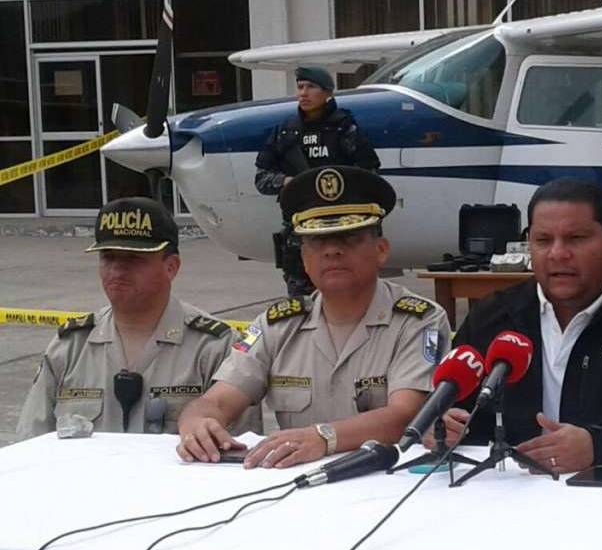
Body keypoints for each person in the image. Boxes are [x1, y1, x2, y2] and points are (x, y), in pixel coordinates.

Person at [429, 178, 602, 473]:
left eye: (576, 238)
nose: (557, 254)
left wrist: (597, 444)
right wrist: (442, 424)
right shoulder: (493, 315)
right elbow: (457, 401)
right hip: (510, 491)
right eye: (543, 240)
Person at [176, 165, 450, 469]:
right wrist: (197, 421)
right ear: (305, 259)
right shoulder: (276, 325)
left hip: (385, 484)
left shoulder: (419, 320)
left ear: (381, 250)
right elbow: (218, 401)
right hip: (291, 487)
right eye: (317, 241)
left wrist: (324, 437)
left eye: (348, 237)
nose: (332, 251)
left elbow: (405, 415)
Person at [16, 197, 249, 439]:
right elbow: (31, 441)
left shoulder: (213, 347)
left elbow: (238, 453)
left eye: (133, 259)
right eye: (108, 257)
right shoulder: (70, 346)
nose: (116, 270)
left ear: (171, 267)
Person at [255, 66, 381, 297]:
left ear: (327, 93)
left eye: (311, 87)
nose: (303, 93)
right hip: (301, 233)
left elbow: (369, 176)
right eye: (300, 87)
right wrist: (286, 181)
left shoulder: (344, 128)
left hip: (342, 228)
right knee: (302, 310)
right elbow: (261, 179)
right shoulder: (285, 131)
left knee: (350, 297)